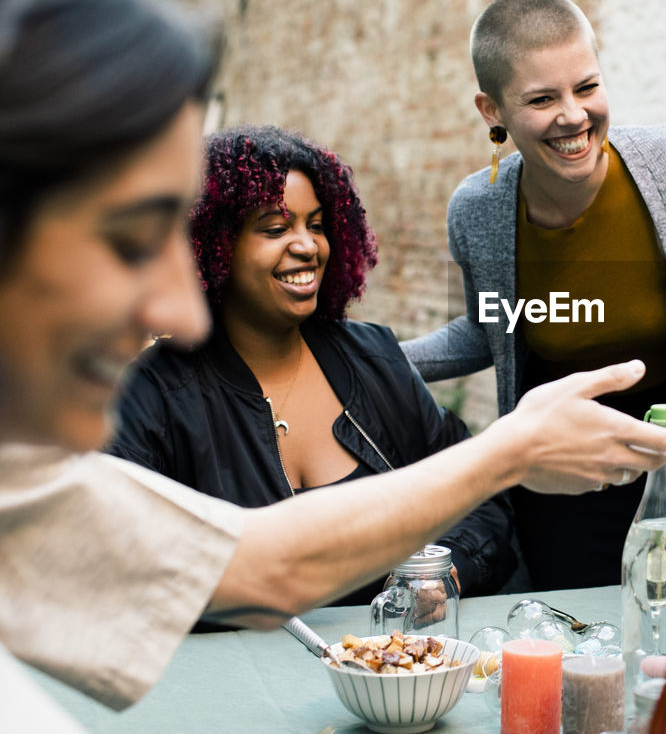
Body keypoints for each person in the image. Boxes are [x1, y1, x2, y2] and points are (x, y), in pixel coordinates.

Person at [0, 0, 666, 724]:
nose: (176, 306)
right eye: (125, 238)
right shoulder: (146, 401)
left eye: (319, 222)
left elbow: (256, 562)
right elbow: (261, 570)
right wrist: (513, 446)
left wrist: (442, 562)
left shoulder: (28, 473)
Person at [400, 0, 666, 591]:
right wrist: (371, 360)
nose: (573, 115)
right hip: (560, 479)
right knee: (576, 653)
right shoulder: (479, 210)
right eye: (542, 99)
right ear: (491, 110)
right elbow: (488, 328)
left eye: (587, 87)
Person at [107, 125, 515, 600]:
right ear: (213, 248)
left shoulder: (374, 359)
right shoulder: (152, 397)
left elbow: (478, 492)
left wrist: (445, 574)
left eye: (317, 225)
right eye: (276, 228)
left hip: (390, 665)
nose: (307, 246)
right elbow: (123, 569)